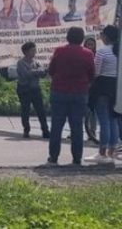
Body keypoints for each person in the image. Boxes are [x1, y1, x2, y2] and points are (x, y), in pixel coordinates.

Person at [46, 27, 94, 166]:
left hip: (59, 91)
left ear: (68, 37)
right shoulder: (88, 53)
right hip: (79, 92)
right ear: (82, 38)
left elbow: (51, 70)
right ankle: (77, 158)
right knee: (77, 126)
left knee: (56, 125)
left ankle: (53, 157)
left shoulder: (59, 51)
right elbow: (92, 74)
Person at [84, 25, 119, 164]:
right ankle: (112, 152)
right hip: (116, 88)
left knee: (103, 120)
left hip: (102, 87)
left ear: (106, 37)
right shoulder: (119, 51)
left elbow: (96, 72)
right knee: (113, 120)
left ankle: (102, 152)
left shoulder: (102, 52)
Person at [16, 42, 50, 139]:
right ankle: (26, 130)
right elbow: (26, 74)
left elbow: (43, 73)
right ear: (26, 52)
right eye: (32, 50)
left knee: (41, 111)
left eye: (35, 50)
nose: (34, 52)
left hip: (35, 89)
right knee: (25, 110)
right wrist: (39, 72)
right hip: (25, 89)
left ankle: (45, 131)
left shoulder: (37, 62)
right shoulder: (21, 63)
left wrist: (43, 71)